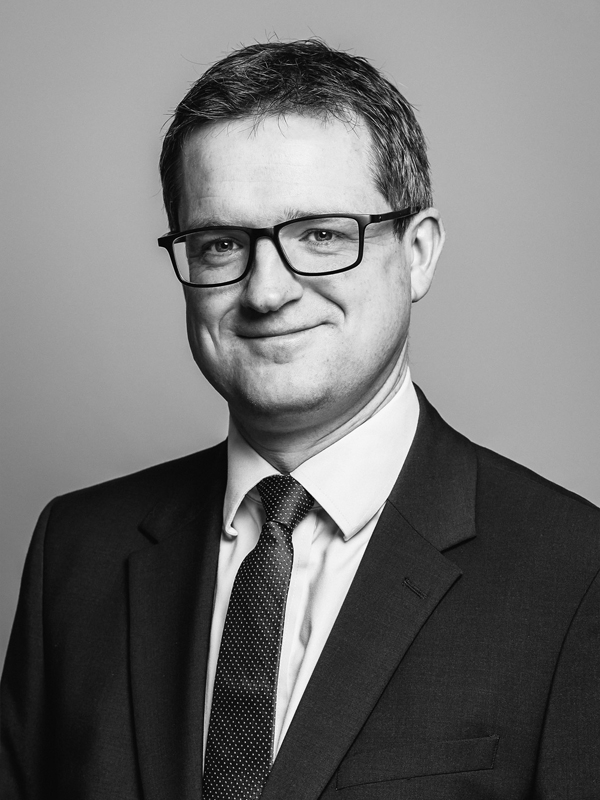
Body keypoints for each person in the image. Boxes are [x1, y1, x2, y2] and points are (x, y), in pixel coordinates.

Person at [1, 39, 599, 800]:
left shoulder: (575, 575)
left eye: (320, 235)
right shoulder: (76, 551)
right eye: (222, 244)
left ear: (418, 253)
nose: (266, 291)